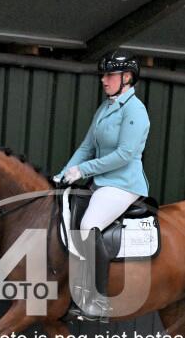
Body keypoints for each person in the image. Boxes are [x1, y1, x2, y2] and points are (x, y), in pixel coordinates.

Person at [54, 50, 150, 320]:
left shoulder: (135, 110)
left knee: (88, 225)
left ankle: (96, 302)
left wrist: (83, 170)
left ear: (127, 77)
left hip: (123, 184)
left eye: (110, 75)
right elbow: (86, 147)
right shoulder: (105, 108)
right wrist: (62, 175)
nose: (103, 80)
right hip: (101, 182)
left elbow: (124, 155)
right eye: (103, 75)